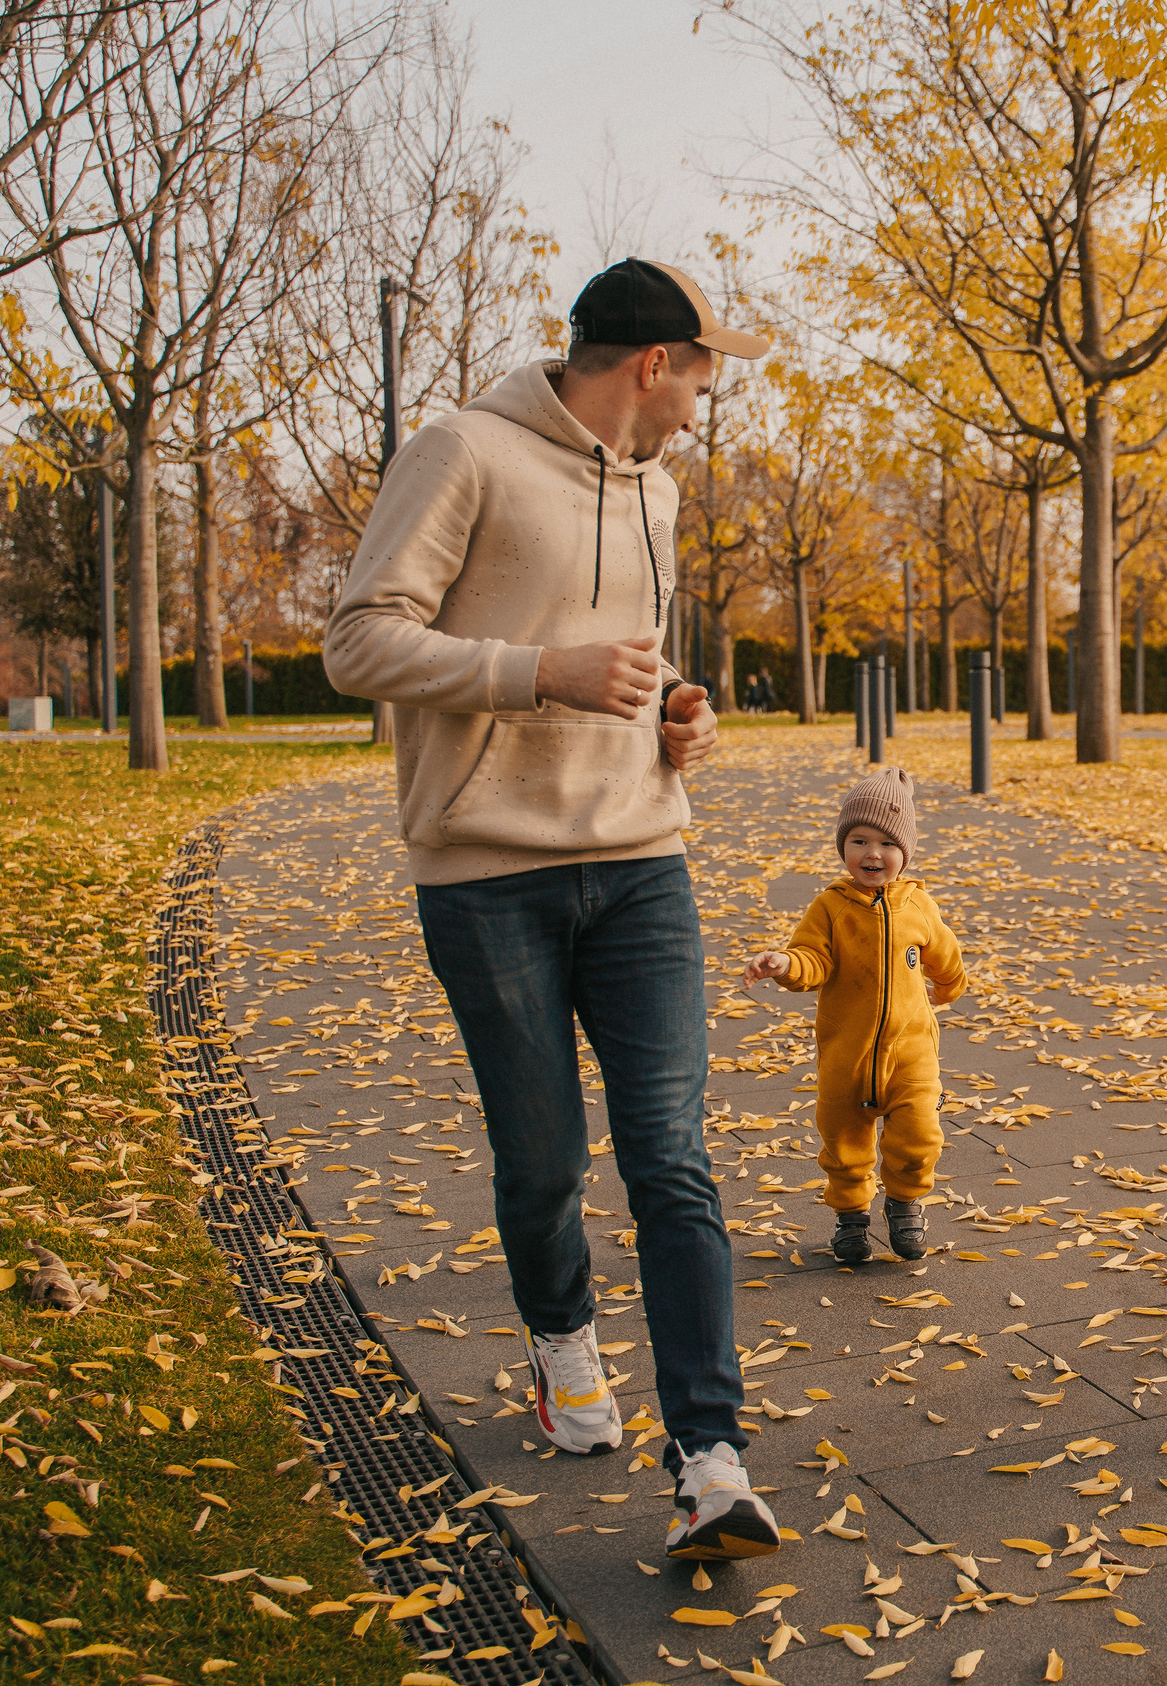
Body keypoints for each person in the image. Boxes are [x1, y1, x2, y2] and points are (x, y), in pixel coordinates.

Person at [323, 258, 783, 1561]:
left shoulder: (661, 492)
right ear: (653, 363)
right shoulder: (460, 451)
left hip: (643, 861)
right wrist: (543, 674)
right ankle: (563, 1336)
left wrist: (675, 709)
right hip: (488, 874)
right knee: (543, 1162)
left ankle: (710, 1455)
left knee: (672, 1157)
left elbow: (631, 658)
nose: (704, 398)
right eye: (702, 371)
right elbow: (357, 639)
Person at [742, 767, 967, 1264]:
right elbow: (813, 962)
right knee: (844, 1141)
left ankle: (906, 1205)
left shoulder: (920, 906)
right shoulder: (829, 908)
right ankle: (850, 1217)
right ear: (843, 847)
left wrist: (948, 989)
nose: (872, 853)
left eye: (887, 843)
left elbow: (946, 957)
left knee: (919, 1134)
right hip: (847, 1053)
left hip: (911, 1052)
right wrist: (784, 964)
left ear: (905, 853)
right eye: (859, 840)